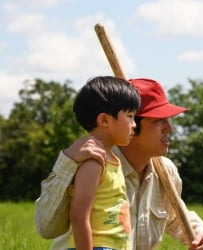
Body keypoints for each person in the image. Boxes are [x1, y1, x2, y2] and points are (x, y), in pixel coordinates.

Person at [35, 78, 203, 250]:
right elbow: (47, 228)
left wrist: (201, 234)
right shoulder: (92, 161)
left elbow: (174, 216)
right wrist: (67, 162)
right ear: (131, 124)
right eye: (157, 121)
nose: (169, 128)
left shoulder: (166, 171)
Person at [68, 76, 140, 249]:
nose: (134, 124)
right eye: (130, 116)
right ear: (104, 120)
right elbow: (79, 216)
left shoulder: (112, 159)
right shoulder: (93, 162)